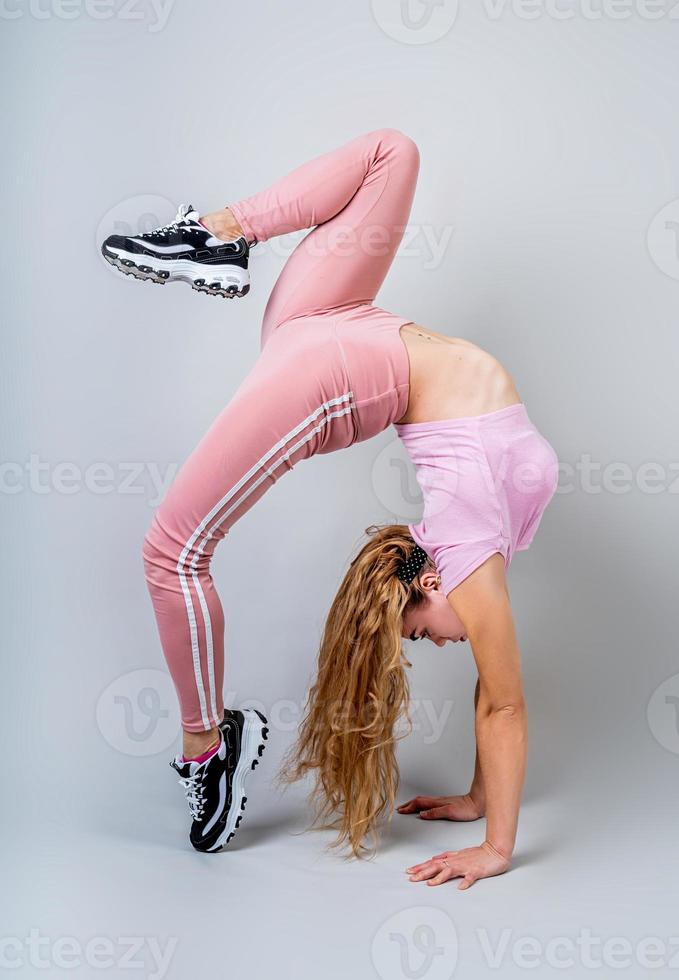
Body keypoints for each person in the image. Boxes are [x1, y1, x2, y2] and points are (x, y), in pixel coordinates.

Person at [101, 129, 558, 887]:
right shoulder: (469, 553)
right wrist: (489, 826)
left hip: (338, 347)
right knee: (394, 152)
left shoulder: (463, 548)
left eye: (410, 633)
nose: (430, 643)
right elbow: (498, 699)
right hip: (339, 334)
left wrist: (487, 823)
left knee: (171, 554)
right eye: (416, 637)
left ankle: (204, 749)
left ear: (425, 579)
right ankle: (211, 237)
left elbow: (499, 701)